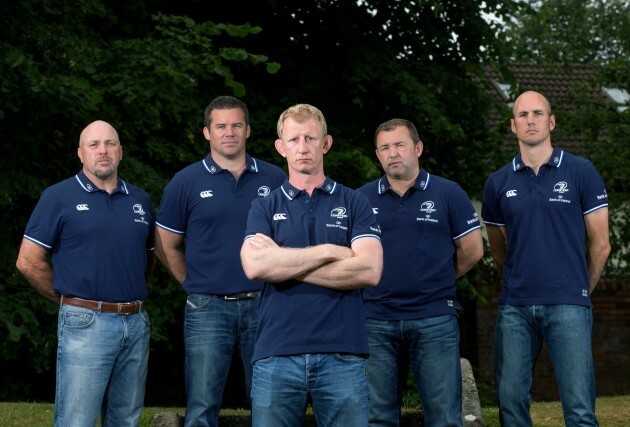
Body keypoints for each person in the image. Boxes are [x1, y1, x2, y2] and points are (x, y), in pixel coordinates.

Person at [240, 103, 383, 426]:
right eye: (293, 140)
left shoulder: (354, 202)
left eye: (310, 138)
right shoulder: (264, 206)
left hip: (342, 354)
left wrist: (283, 259)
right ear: (280, 147)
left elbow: (369, 270)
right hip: (276, 353)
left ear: (326, 143)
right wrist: (332, 250)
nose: (302, 147)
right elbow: (255, 267)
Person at [155, 95, 286, 426]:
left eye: (236, 125)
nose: (229, 132)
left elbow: (291, 241)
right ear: (207, 132)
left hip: (266, 305)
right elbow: (164, 245)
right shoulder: (186, 182)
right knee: (201, 405)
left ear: (248, 130)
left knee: (270, 401)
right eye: (221, 126)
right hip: (207, 308)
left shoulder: (275, 179)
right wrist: (192, 283)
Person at [482, 91, 611, 426]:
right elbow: (499, 251)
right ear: (513, 125)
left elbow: (601, 245)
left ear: (551, 121)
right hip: (515, 308)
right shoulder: (498, 183)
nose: (531, 120)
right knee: (510, 406)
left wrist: (581, 288)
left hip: (568, 302)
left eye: (538, 113)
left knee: (579, 409)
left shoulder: (581, 171)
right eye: (523, 115)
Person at [15, 120, 155, 427]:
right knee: (77, 420)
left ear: (121, 152)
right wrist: (69, 301)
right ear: (80, 153)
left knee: (126, 420)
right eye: (94, 145)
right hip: (85, 323)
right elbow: (28, 261)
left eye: (110, 144)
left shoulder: (140, 200)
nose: (102, 151)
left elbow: (146, 259)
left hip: (135, 323)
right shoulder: (58, 197)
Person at [356, 119, 483, 426]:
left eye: (400, 145)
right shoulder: (360, 198)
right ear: (377, 155)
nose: (393, 153)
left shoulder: (448, 192)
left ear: (417, 148)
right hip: (376, 319)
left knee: (443, 416)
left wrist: (437, 278)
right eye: (385, 148)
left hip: (434, 318)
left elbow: (473, 250)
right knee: (376, 417)